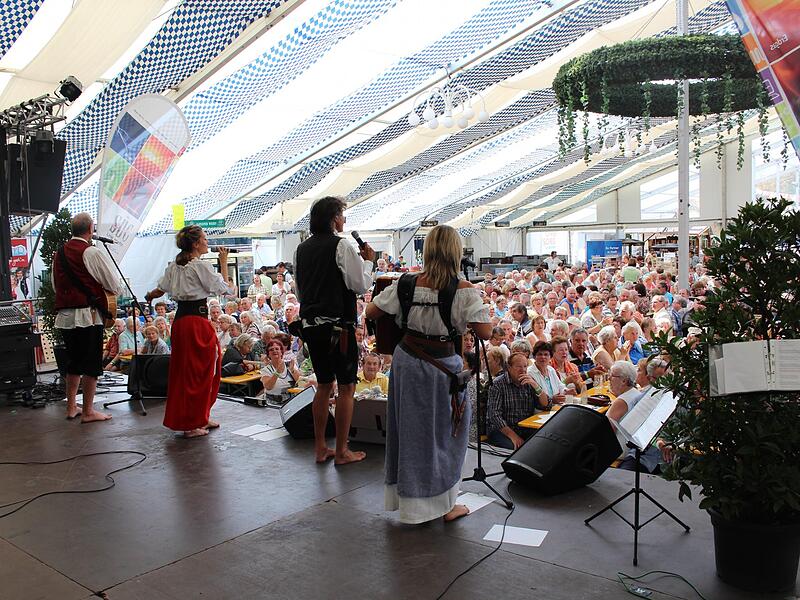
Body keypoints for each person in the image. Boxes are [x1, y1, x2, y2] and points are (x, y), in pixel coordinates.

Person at [366, 224, 492, 524]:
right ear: (455, 252)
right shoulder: (463, 290)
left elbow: (371, 312)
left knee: (409, 431)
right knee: (448, 433)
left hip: (407, 362)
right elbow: (485, 331)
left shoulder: (407, 283)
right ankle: (444, 505)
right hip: (441, 367)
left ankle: (410, 503)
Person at [295, 196, 375, 465]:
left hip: (311, 326)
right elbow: (359, 285)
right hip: (338, 328)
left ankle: (320, 448)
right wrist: (368, 262)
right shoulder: (341, 245)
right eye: (342, 215)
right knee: (346, 386)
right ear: (333, 218)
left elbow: (300, 292)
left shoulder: (301, 249)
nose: (344, 220)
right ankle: (341, 451)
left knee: (323, 385)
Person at [145, 226, 233, 438]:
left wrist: (149, 296)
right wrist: (223, 262)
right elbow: (226, 289)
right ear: (195, 244)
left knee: (191, 371)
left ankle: (199, 416)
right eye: (204, 239)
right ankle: (191, 423)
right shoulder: (199, 266)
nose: (207, 242)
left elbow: (160, 289)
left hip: (182, 322)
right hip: (195, 323)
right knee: (199, 372)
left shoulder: (174, 266)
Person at [52, 213, 122, 421]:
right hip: (87, 315)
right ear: (91, 228)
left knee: (73, 361)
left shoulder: (59, 254)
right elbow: (113, 283)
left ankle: (71, 407)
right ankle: (89, 412)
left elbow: (56, 286)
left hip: (65, 316)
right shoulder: (91, 252)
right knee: (91, 363)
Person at [487, 351, 549, 449]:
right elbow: (495, 416)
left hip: (524, 428)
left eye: (525, 366)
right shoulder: (498, 384)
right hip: (502, 430)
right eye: (519, 367)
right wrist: (513, 436)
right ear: (509, 367)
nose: (523, 370)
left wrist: (536, 386)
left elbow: (546, 405)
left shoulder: (529, 381)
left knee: (545, 441)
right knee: (516, 448)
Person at [528, 341, 575, 405]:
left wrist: (566, 391)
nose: (543, 357)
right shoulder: (530, 373)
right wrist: (551, 400)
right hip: (541, 410)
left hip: (557, 406)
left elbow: (560, 386)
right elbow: (534, 398)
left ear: (550, 357)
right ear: (534, 356)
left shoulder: (551, 370)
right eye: (540, 354)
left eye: (546, 354)